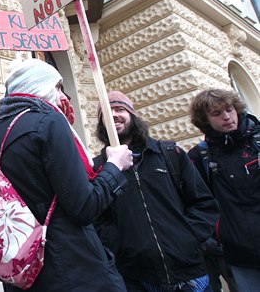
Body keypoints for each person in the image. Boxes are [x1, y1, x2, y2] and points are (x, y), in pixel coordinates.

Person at [0, 58, 133, 292]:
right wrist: (114, 166)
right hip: (71, 266)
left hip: (28, 267)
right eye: (57, 87)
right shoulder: (49, 121)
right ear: (40, 86)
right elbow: (84, 206)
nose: (63, 96)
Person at [93, 91, 219, 292]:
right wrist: (124, 246)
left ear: (132, 115)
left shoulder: (169, 153)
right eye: (106, 112)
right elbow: (98, 219)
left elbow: (204, 203)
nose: (113, 115)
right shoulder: (99, 168)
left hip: (191, 274)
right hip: (138, 278)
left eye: (119, 109)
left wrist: (188, 237)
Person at [188, 89, 260, 292]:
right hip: (240, 255)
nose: (227, 117)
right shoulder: (200, 157)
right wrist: (211, 240)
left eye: (229, 110)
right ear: (205, 121)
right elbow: (196, 203)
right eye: (217, 113)